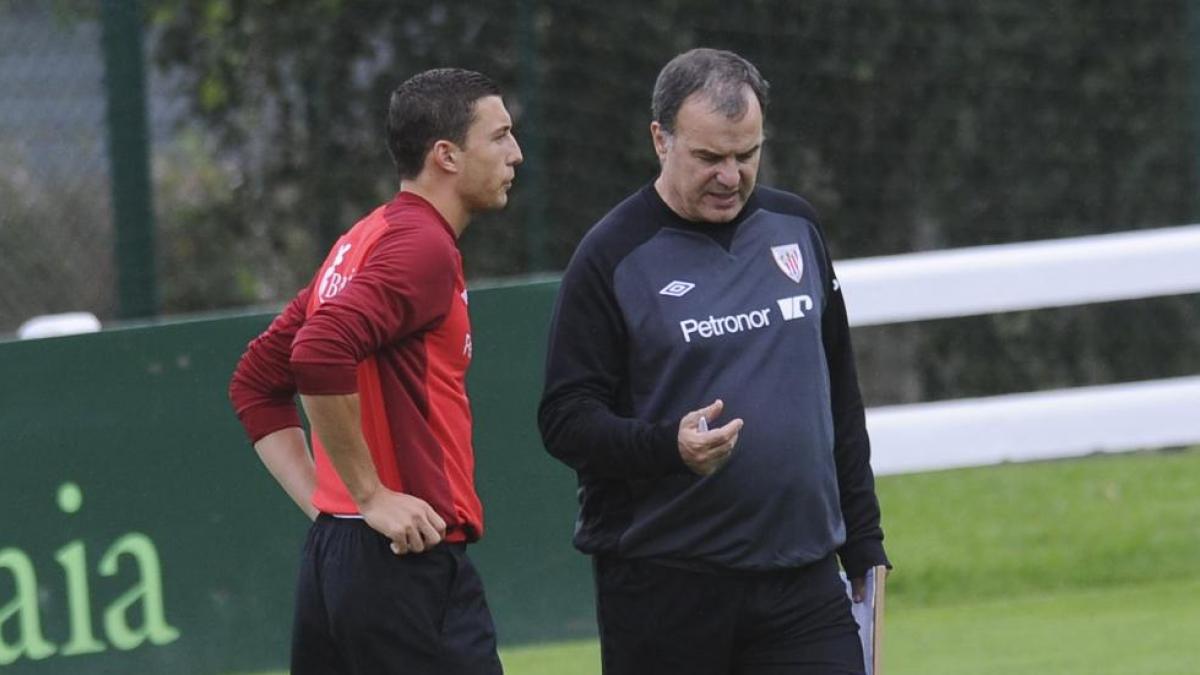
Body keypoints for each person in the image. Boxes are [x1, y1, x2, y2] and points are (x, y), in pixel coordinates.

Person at [538, 48, 890, 675]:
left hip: (803, 583)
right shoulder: (611, 256)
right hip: (666, 588)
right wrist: (666, 447)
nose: (730, 176)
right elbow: (565, 419)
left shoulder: (796, 226)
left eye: (746, 154)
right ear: (661, 139)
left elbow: (839, 393)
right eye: (709, 158)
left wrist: (863, 542)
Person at [229, 67, 522, 675]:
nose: (515, 153)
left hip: (343, 555)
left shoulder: (364, 237)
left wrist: (333, 509)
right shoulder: (423, 248)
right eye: (499, 136)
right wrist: (368, 496)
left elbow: (256, 382)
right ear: (446, 155)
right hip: (404, 562)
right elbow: (317, 352)